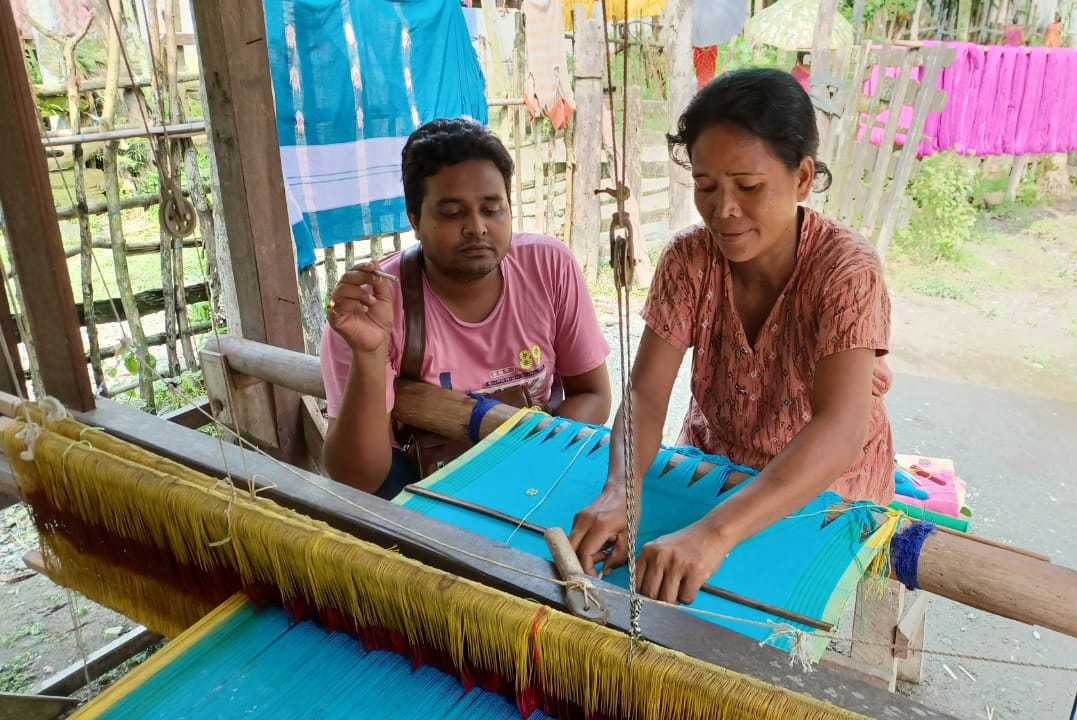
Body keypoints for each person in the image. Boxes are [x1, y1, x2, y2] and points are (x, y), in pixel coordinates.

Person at [568, 69, 894, 605]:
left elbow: (839, 430)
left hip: (823, 485)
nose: (723, 210)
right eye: (706, 187)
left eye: (749, 187)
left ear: (803, 178)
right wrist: (621, 490)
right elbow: (646, 392)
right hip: (713, 463)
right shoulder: (689, 259)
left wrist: (714, 533)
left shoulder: (846, 271)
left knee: (748, 622)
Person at [321, 117, 612, 499]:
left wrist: (522, 463)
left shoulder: (549, 267)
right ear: (415, 220)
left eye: (492, 209)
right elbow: (357, 479)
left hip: (538, 470)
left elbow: (593, 395)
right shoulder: (372, 308)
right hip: (426, 492)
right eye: (453, 213)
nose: (477, 227)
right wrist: (370, 354)